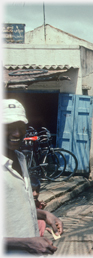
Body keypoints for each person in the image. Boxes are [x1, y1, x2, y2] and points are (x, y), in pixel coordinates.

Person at [3, 99, 63, 255]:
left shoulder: (21, 158)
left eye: (20, 127)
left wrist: (45, 215)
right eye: (8, 127)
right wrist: (25, 243)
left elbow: (17, 205)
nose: (16, 133)